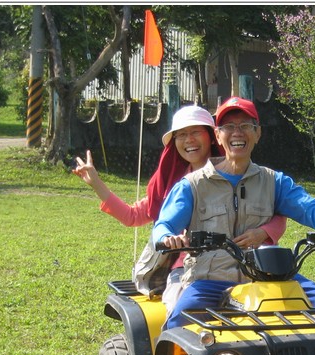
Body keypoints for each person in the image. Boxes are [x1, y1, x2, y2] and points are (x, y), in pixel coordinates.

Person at [152, 96, 315, 329]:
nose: (237, 133)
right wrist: (167, 238)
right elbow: (163, 226)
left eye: (245, 126)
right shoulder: (192, 185)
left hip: (269, 277)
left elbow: (311, 208)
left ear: (257, 133)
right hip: (210, 281)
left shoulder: (274, 181)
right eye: (229, 127)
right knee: (182, 320)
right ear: (217, 135)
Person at [72, 104, 286, 304]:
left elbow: (275, 210)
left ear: (212, 137)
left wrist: (264, 232)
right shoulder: (173, 185)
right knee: (179, 308)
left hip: (245, 265)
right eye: (182, 134)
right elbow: (133, 216)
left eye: (195, 132)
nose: (189, 140)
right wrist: (97, 184)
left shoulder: (239, 172)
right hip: (187, 269)